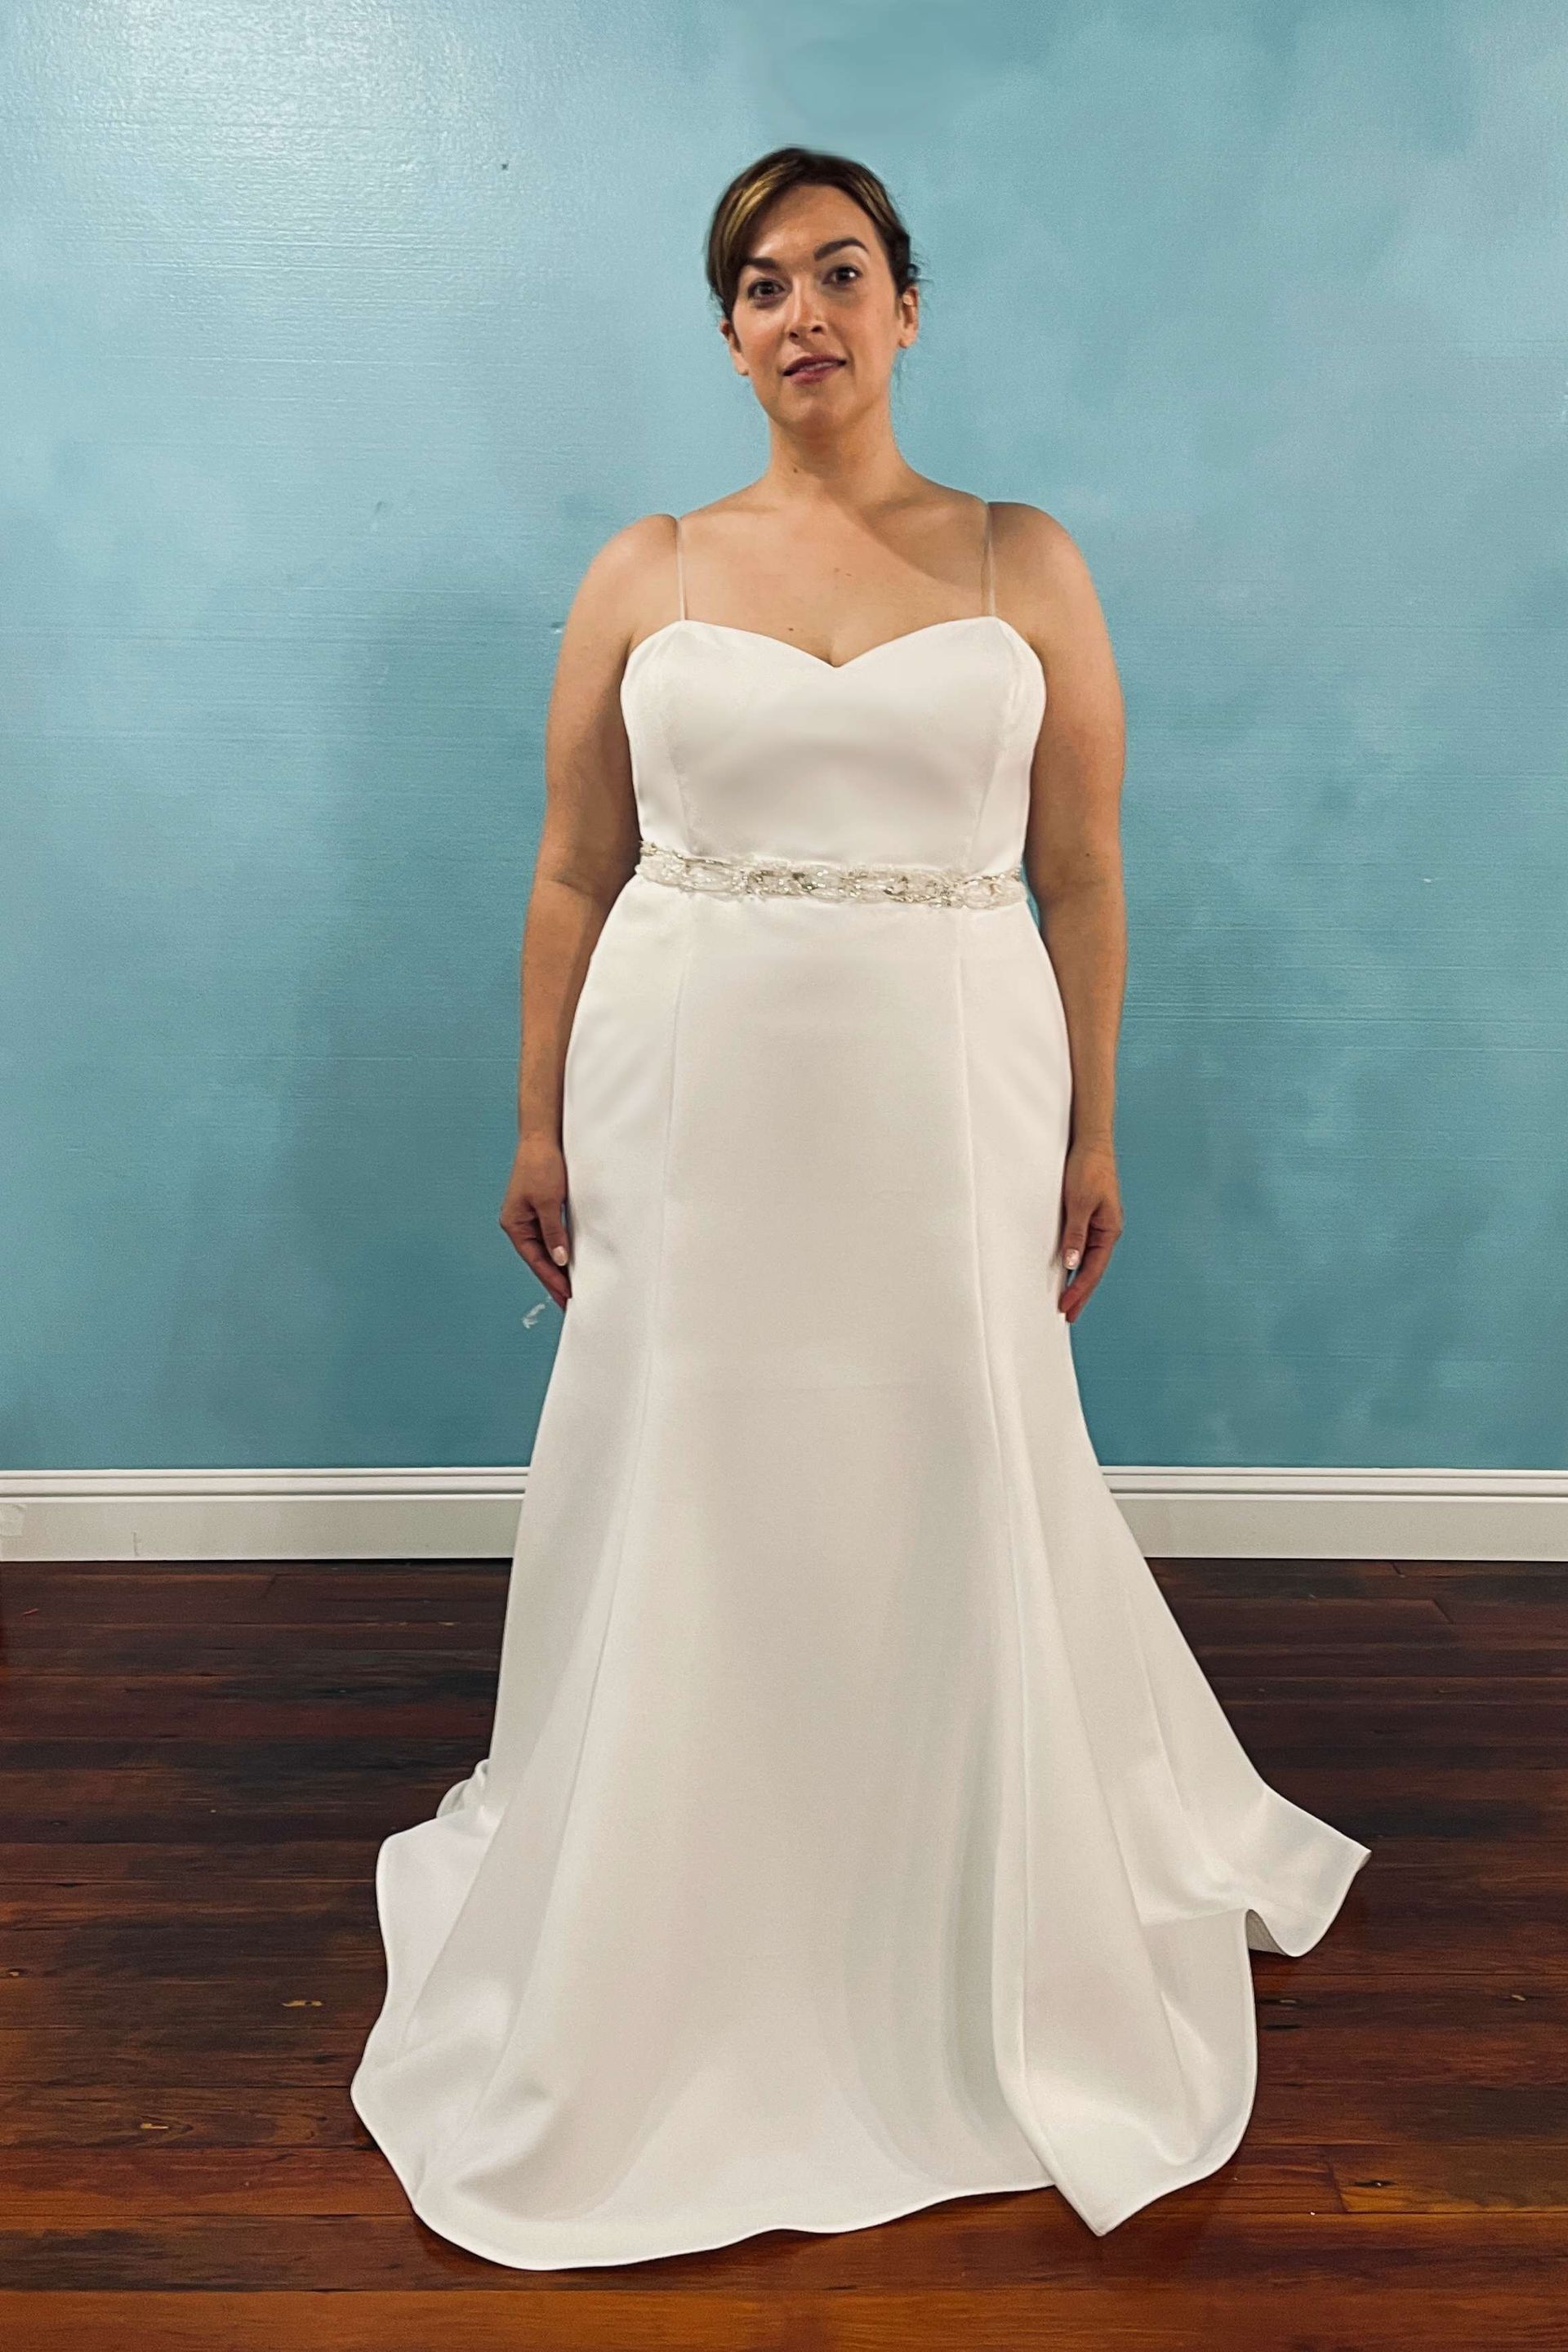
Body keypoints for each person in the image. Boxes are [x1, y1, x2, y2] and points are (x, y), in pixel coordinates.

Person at [350, 144, 1370, 2270]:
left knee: (934, 1440)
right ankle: (674, 1879)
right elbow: (572, 866)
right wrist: (537, 1116)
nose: (797, 309)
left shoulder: (1021, 562)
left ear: (906, 307)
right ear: (727, 336)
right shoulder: (645, 567)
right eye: (754, 283)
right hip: (687, 1086)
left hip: (946, 1083)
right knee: (702, 1453)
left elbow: (1078, 866)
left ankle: (940, 1884)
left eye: (835, 270)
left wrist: (1092, 1127)